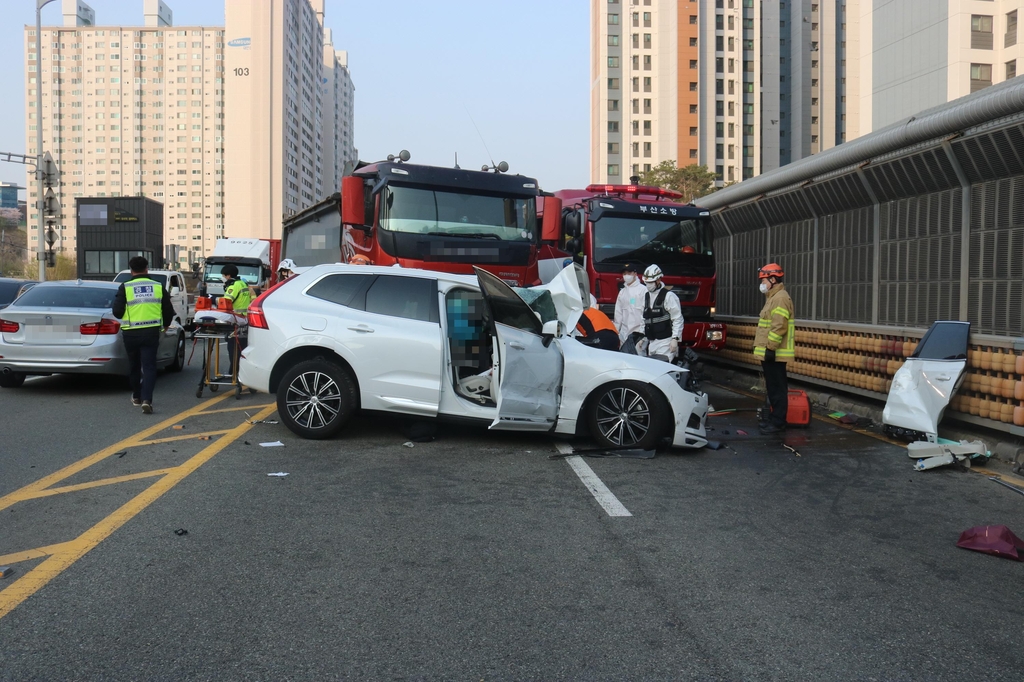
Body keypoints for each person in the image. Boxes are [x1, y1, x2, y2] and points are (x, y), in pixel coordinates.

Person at [112, 256, 175, 414]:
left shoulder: (125, 287)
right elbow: (167, 309)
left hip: (131, 333)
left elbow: (117, 312)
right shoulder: (158, 286)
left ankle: (137, 396)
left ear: (131, 270)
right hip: (151, 331)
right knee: (149, 366)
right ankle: (147, 399)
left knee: (134, 365)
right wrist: (166, 325)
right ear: (147, 268)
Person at [753, 262, 795, 435]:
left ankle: (778, 422)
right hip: (771, 353)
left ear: (772, 279)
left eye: (764, 280)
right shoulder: (773, 297)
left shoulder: (780, 298)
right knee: (773, 387)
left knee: (777, 389)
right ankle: (775, 418)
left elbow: (779, 326)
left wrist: (770, 349)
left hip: (775, 353)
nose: (762, 284)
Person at [642, 264, 683, 362]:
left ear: (658, 280)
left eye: (651, 282)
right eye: (646, 282)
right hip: (652, 342)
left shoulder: (668, 296)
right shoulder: (647, 296)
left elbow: (677, 318)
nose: (648, 285)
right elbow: (644, 319)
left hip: (666, 341)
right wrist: (642, 337)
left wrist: (675, 339)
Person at [221, 264, 254, 375]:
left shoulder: (234, 286)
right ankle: (242, 373)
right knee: (243, 348)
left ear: (228, 275)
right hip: (245, 320)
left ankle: (233, 373)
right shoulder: (243, 283)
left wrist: (214, 300)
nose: (223, 278)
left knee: (233, 349)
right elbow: (252, 299)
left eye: (224, 276)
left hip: (235, 321)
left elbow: (226, 302)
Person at [613, 263, 646, 346]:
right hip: (623, 334)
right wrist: (616, 332)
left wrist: (643, 334)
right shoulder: (622, 292)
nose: (626, 276)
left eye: (629, 273)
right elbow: (618, 315)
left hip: (638, 334)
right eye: (624, 274)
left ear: (635, 274)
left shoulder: (643, 290)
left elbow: (645, 314)